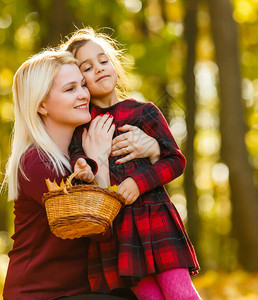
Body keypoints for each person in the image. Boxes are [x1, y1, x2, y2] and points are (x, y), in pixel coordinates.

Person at [62, 28, 201, 300]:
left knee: (181, 295)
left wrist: (138, 183)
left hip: (155, 219)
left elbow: (175, 160)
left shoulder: (143, 111)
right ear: (80, 81)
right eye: (88, 68)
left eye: (104, 61)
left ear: (114, 64)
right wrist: (83, 166)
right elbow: (77, 157)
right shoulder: (82, 126)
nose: (100, 69)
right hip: (121, 232)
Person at [1, 49, 134, 299]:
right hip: (42, 294)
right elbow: (99, 228)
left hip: (85, 290)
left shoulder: (84, 148)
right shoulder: (36, 163)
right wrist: (99, 162)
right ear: (41, 105)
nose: (84, 94)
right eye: (70, 89)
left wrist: (153, 147)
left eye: (83, 85)